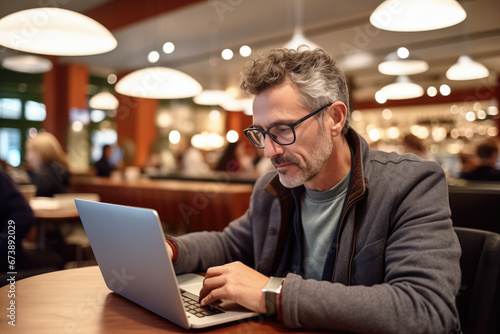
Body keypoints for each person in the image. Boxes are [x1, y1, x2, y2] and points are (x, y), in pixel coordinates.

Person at [164, 48, 461, 333]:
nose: (269, 150)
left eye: (282, 130)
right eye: (261, 133)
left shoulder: (411, 184)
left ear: (334, 118)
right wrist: (170, 251)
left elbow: (426, 309)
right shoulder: (273, 188)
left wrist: (272, 293)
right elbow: (230, 245)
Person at [25, 132, 70, 197]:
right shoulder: (59, 172)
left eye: (30, 151)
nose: (27, 157)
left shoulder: (45, 178)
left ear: (41, 153)